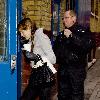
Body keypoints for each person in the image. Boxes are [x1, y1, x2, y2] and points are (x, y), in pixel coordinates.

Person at [53, 10, 93, 100]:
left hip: (76, 72)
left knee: (76, 97)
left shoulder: (82, 31)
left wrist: (72, 37)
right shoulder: (61, 35)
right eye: (63, 18)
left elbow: (87, 46)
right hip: (63, 72)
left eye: (66, 18)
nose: (64, 20)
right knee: (62, 96)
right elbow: (55, 52)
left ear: (73, 18)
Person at [18, 18, 56, 100]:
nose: (21, 35)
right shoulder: (31, 39)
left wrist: (37, 58)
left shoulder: (41, 37)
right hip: (35, 76)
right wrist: (25, 44)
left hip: (45, 77)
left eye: (22, 32)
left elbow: (53, 59)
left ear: (29, 27)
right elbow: (29, 59)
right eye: (20, 32)